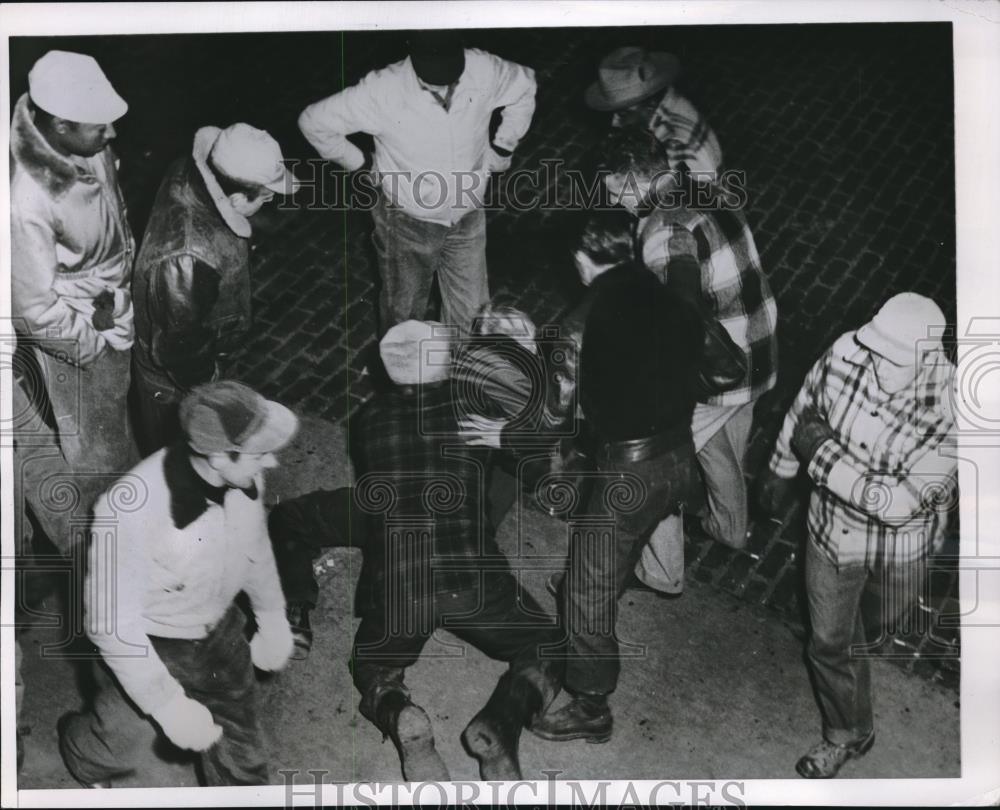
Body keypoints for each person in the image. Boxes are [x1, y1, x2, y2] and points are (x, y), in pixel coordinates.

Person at [348, 320, 562, 781]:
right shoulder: (473, 405)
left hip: (401, 587)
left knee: (372, 661)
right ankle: (502, 721)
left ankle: (395, 707)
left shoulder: (365, 422)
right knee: (549, 642)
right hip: (473, 583)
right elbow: (539, 456)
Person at [58, 381, 298, 787]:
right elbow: (111, 626)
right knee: (122, 740)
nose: (271, 463)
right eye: (260, 454)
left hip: (217, 627)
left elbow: (255, 546)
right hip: (153, 640)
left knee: (242, 736)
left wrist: (271, 614)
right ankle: (84, 755)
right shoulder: (129, 509)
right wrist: (166, 704)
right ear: (220, 456)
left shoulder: (242, 478)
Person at [523, 209, 704, 743]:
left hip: (630, 473)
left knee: (585, 586)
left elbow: (547, 421)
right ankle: (603, 598)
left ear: (581, 260)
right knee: (613, 551)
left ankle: (591, 703)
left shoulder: (577, 324)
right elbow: (724, 367)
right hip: (679, 456)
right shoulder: (668, 292)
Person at [759, 292, 957, 778]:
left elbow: (895, 505)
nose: (875, 363)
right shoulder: (849, 350)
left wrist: (818, 452)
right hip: (833, 535)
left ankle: (846, 662)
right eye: (875, 347)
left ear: (928, 358)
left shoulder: (957, 407)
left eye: (894, 359)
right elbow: (803, 411)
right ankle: (848, 732)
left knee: (871, 630)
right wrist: (781, 467)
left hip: (898, 551)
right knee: (829, 641)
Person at [602, 127, 778, 596]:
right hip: (759, 346)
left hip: (717, 371)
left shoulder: (662, 233)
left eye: (615, 194)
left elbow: (674, 325)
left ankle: (662, 570)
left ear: (631, 183)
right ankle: (730, 528)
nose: (617, 205)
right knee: (724, 445)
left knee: (659, 456)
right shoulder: (704, 185)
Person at [298, 30, 537, 335]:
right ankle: (404, 382)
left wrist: (503, 146)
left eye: (451, 76)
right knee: (405, 315)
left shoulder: (485, 69)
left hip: (468, 213)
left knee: (475, 315)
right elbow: (314, 122)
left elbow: (524, 86)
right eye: (431, 78)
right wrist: (361, 164)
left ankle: (461, 375)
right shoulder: (381, 90)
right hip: (407, 222)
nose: (445, 87)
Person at [11, 50, 137, 555]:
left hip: (107, 312)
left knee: (111, 432)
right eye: (99, 128)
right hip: (79, 338)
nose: (111, 136)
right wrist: (93, 349)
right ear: (60, 126)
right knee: (95, 451)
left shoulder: (81, 143)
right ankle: (106, 554)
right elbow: (36, 310)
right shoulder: (26, 202)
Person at [131, 123, 300, 456]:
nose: (270, 201)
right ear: (235, 197)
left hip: (198, 347)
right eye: (265, 194)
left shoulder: (191, 171)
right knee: (184, 457)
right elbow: (180, 350)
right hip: (178, 383)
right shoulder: (188, 259)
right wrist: (216, 388)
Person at [585, 46, 723, 182]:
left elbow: (702, 193)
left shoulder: (677, 140)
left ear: (650, 106)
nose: (615, 122)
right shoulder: (656, 103)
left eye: (623, 114)